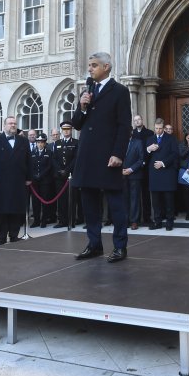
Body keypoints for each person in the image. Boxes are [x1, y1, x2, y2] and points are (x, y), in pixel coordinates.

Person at [71, 51, 132, 263]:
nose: (90, 69)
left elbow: (125, 126)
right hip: (87, 156)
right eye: (89, 65)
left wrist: (118, 154)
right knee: (89, 204)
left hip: (108, 157)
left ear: (106, 67)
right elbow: (77, 123)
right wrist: (83, 106)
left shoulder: (120, 91)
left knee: (115, 205)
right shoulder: (88, 91)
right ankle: (94, 244)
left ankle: (120, 247)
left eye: (94, 65)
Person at [0, 116, 31, 244]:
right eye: (10, 123)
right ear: (4, 126)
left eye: (15, 123)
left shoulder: (23, 141)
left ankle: (13, 235)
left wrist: (29, 178)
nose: (13, 125)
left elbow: (29, 161)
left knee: (16, 210)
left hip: (18, 181)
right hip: (0, 182)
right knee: (1, 211)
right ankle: (1, 237)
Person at [146, 118, 179, 231]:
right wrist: (148, 149)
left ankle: (169, 222)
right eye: (156, 128)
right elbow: (144, 158)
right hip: (154, 174)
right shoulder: (150, 139)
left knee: (168, 200)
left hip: (167, 172)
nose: (158, 131)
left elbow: (175, 154)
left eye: (160, 129)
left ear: (163, 128)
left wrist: (163, 163)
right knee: (155, 200)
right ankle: (157, 221)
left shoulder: (171, 139)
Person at [52, 121, 81, 228]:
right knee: (61, 199)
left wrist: (67, 170)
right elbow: (54, 158)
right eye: (64, 129)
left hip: (71, 175)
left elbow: (76, 159)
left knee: (72, 199)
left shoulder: (76, 142)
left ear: (71, 130)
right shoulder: (58, 143)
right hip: (60, 176)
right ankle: (62, 221)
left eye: (68, 129)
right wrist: (60, 170)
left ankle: (71, 220)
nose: (66, 131)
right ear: (62, 131)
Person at [132, 115, 154, 224]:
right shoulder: (132, 133)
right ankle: (136, 218)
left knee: (145, 194)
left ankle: (147, 217)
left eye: (139, 119)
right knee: (135, 195)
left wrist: (146, 152)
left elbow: (151, 149)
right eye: (135, 120)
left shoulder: (149, 133)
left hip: (146, 167)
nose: (137, 122)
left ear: (142, 120)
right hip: (135, 168)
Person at [30, 133, 55, 228]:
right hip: (35, 181)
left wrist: (41, 174)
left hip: (45, 181)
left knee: (45, 201)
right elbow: (30, 166)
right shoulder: (32, 153)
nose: (40, 144)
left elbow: (50, 166)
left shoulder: (49, 153)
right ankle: (36, 220)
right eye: (38, 142)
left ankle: (44, 220)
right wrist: (34, 175)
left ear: (45, 143)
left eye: (42, 142)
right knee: (35, 202)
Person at [122, 128, 144, 229]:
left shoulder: (138, 142)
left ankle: (134, 221)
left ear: (131, 132)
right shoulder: (120, 143)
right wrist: (121, 170)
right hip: (122, 175)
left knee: (134, 198)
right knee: (124, 198)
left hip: (134, 174)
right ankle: (125, 220)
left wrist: (131, 169)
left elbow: (141, 159)